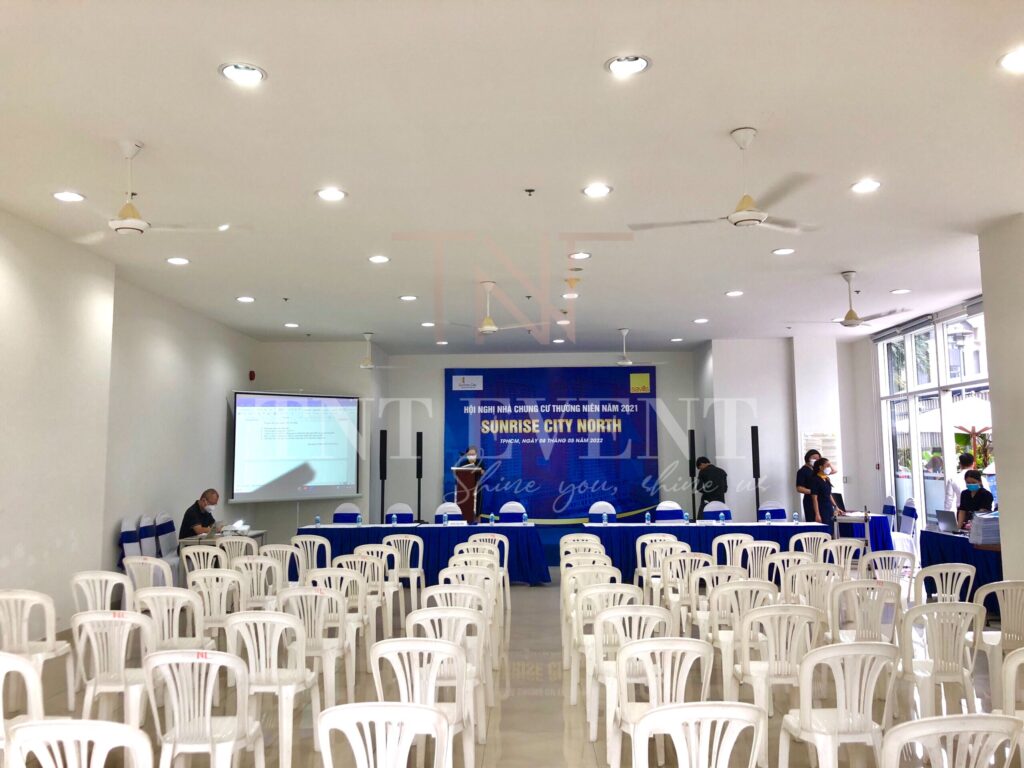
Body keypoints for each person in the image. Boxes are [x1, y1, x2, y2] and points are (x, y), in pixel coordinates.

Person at [809, 457, 845, 528]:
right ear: (820, 467)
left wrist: (836, 507)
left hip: (828, 507)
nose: (829, 468)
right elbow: (814, 499)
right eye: (827, 466)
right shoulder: (815, 480)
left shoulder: (826, 478)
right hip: (820, 508)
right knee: (824, 529)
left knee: (831, 528)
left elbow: (829, 495)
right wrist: (817, 514)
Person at [455, 446, 485, 520]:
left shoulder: (480, 462)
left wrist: (476, 468)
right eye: (470, 454)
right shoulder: (463, 463)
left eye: (473, 454)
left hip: (477, 486)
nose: (472, 456)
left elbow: (483, 472)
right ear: (467, 455)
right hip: (465, 487)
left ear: (476, 455)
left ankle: (477, 519)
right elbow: (459, 473)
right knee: (465, 503)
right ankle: (463, 518)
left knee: (478, 504)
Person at [795, 449, 821, 522]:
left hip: (820, 500)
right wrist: (813, 491)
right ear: (808, 458)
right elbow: (799, 488)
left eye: (818, 459)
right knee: (813, 521)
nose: (816, 460)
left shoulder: (817, 470)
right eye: (814, 458)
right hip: (810, 501)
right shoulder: (802, 471)